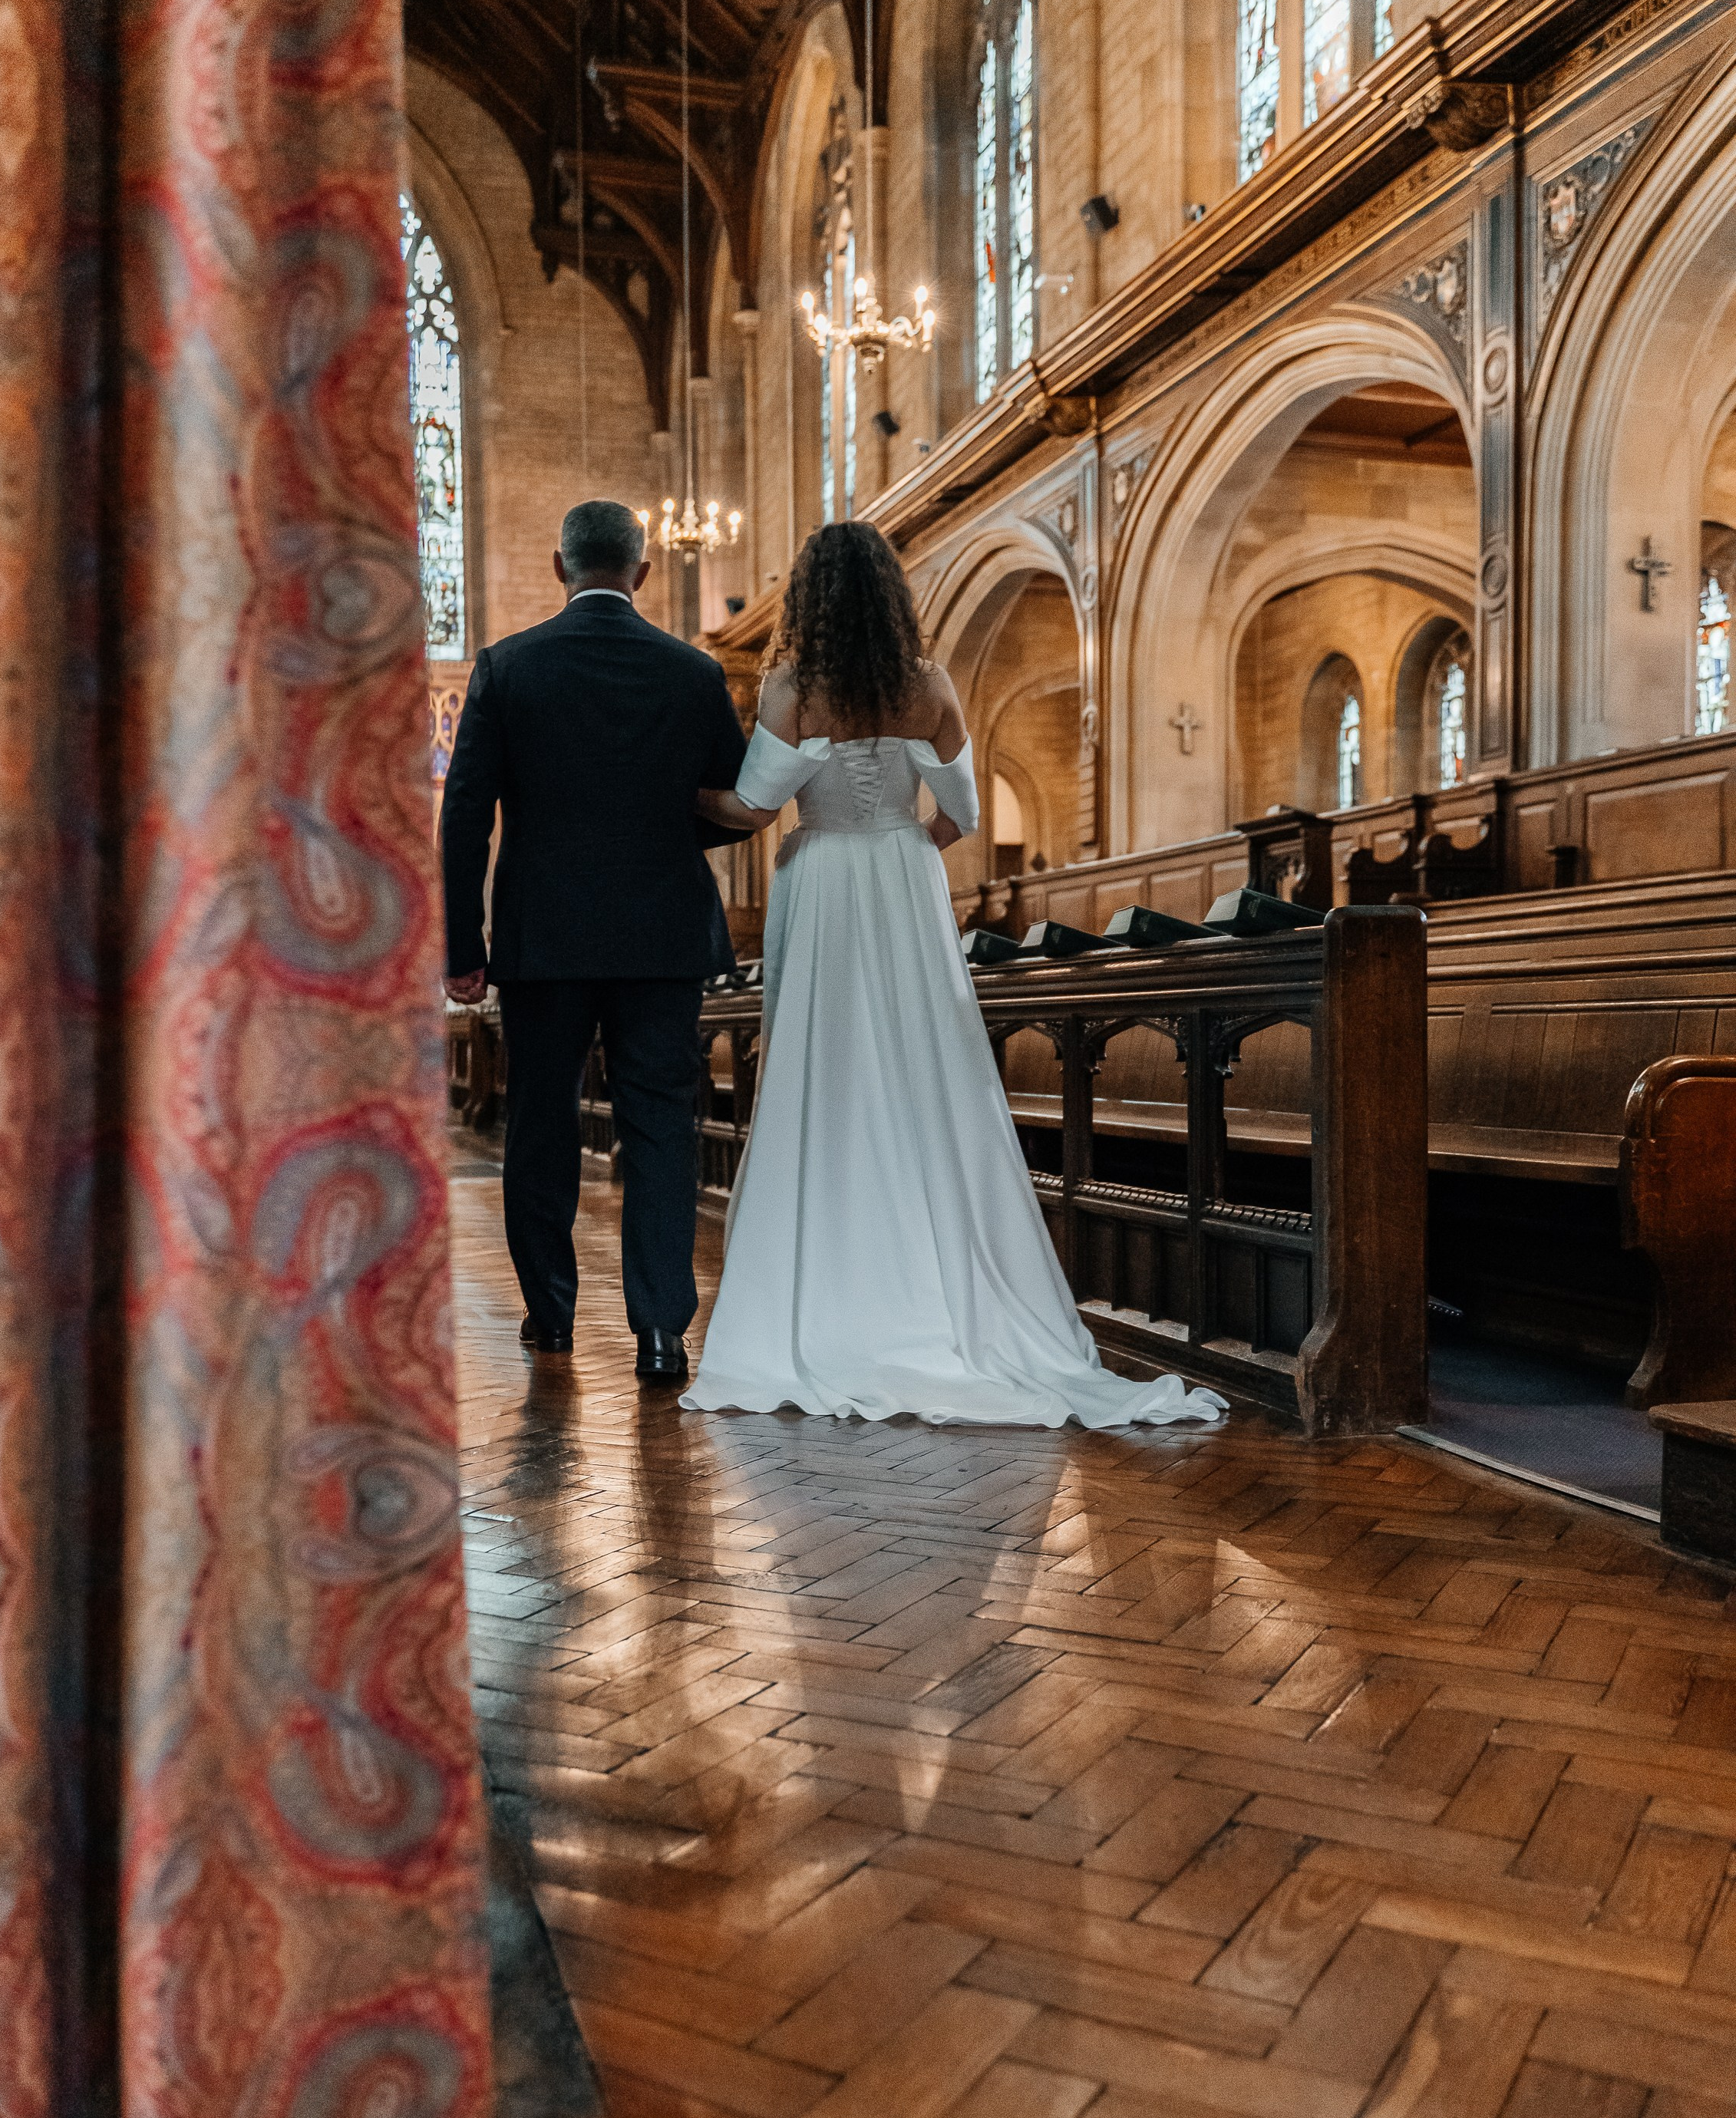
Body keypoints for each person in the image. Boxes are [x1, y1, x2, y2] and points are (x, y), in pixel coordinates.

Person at [685, 520, 1226, 1430]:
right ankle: (945, 1283)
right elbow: (963, 812)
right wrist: (903, 851)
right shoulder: (928, 684)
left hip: (821, 882)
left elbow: (752, 805)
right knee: (923, 1066)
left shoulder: (793, 685)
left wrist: (676, 795)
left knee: (825, 1069)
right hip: (902, 879)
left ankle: (831, 1277)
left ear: (809, 598)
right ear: (890, 594)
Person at [440, 498, 746, 1385]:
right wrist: (666, 828)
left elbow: (464, 817)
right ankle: (660, 1332)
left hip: (546, 940)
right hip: (662, 937)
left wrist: (463, 943)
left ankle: (552, 1315)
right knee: (660, 1128)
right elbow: (734, 798)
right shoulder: (692, 671)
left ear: (558, 567)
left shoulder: (508, 667)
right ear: (642, 571)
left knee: (540, 1123)